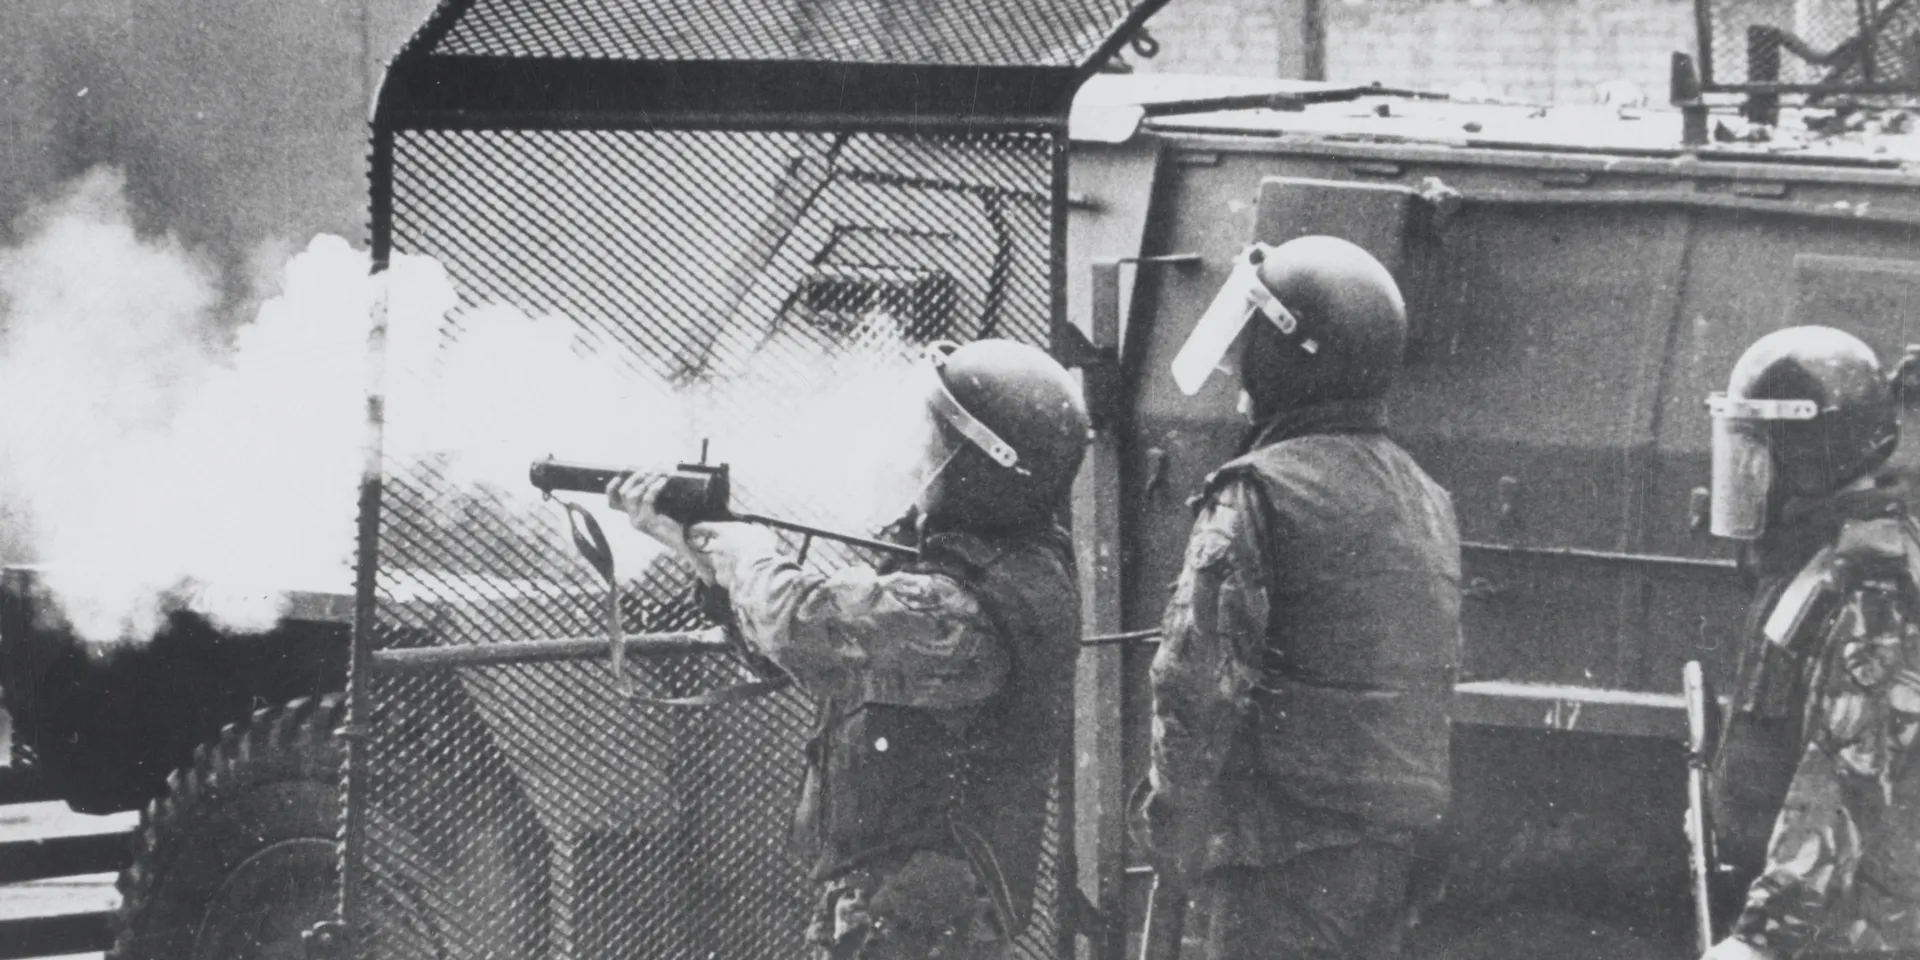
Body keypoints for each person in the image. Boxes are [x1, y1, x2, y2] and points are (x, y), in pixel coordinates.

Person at [609, 338, 1090, 960]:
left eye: (937, 443)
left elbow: (801, 627)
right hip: (894, 899)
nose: (919, 454)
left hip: (918, 915)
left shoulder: (967, 606)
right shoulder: (992, 561)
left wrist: (744, 550)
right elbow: (808, 650)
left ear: (981, 469)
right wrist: (696, 548)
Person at [1138, 235, 1462, 960]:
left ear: (1293, 352)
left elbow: (1193, 687)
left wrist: (1170, 825)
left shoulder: (1257, 491)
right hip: (1385, 854)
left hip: (1278, 859)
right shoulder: (1425, 495)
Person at [1702, 325, 1920, 960]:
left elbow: (1847, 776)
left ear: (1810, 454)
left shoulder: (1872, 588)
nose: (1745, 469)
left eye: (1758, 448)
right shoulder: (1818, 561)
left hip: (1846, 932)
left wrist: (1761, 940)